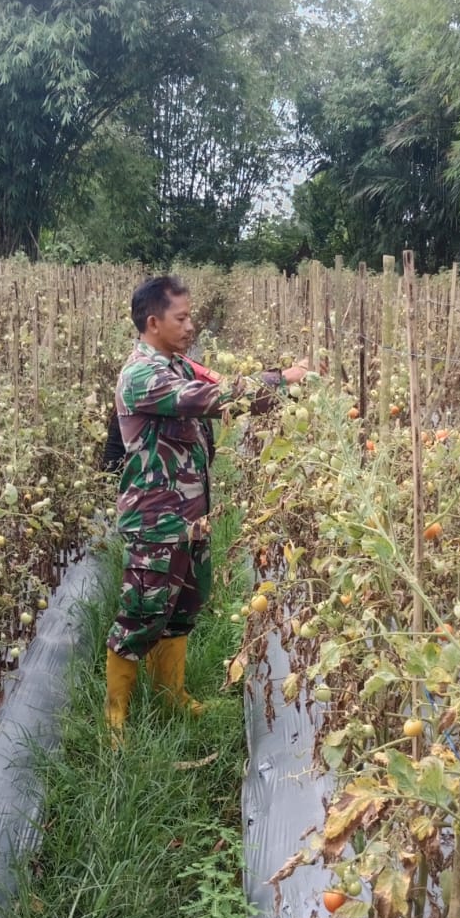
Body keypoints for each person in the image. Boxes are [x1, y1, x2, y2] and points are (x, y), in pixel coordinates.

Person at [104, 275, 307, 736]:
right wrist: (283, 382)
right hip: (156, 519)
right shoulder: (142, 375)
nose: (192, 324)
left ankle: (171, 696)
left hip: (190, 516)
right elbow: (215, 398)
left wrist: (278, 378)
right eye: (182, 317)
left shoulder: (176, 364)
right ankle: (116, 718)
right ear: (153, 322)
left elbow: (218, 382)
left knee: (182, 608)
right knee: (141, 613)